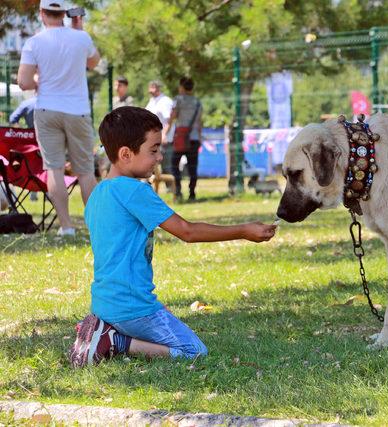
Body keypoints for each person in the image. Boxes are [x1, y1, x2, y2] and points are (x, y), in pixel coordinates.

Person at [67, 107, 276, 367]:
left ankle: (104, 330)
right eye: (153, 150)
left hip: (104, 304)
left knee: (165, 326)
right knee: (193, 350)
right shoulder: (134, 191)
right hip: (133, 309)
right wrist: (243, 230)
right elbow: (187, 231)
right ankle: (115, 342)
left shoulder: (97, 194)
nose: (159, 157)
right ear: (125, 154)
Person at [17, 0, 100, 237]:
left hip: (47, 110)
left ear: (42, 13)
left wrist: (39, 82)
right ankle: (97, 226)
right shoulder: (81, 38)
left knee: (53, 169)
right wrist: (79, 29)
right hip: (78, 110)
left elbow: (23, 82)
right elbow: (94, 62)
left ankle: (66, 228)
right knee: (85, 171)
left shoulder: (34, 42)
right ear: (65, 13)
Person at [163, 77, 202, 202]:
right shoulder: (197, 102)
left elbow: (172, 118)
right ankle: (192, 194)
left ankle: (178, 191)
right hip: (194, 138)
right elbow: (200, 122)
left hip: (180, 138)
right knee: (193, 167)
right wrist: (200, 138)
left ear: (181, 87)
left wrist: (164, 133)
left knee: (174, 165)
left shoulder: (178, 100)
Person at [145, 80, 173, 187]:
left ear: (158, 88)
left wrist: (164, 135)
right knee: (150, 165)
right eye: (150, 87)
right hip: (152, 140)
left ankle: (170, 189)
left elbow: (169, 121)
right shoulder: (152, 101)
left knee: (166, 166)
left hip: (163, 140)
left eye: (153, 87)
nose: (150, 90)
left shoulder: (165, 101)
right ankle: (148, 188)